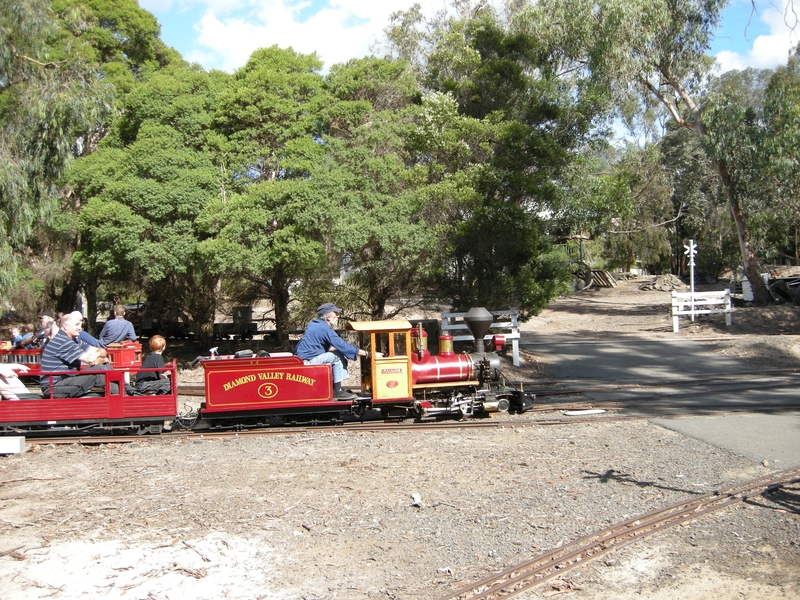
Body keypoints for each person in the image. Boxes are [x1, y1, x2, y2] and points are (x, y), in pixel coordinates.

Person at [39, 312, 123, 398]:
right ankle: (125, 397)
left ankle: (127, 392)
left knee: (102, 366)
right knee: (99, 370)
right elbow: (93, 361)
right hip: (53, 388)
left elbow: (101, 350)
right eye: (76, 325)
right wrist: (104, 359)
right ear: (66, 326)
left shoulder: (75, 340)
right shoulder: (63, 341)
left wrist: (98, 354)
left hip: (63, 383)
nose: (80, 328)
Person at [294, 302, 367, 400]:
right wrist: (366, 353)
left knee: (337, 353)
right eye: (336, 313)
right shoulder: (324, 328)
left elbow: (321, 346)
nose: (338, 316)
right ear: (328, 317)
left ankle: (334, 388)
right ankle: (338, 391)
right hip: (307, 362)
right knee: (337, 356)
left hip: (303, 360)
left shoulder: (314, 325)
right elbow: (342, 345)